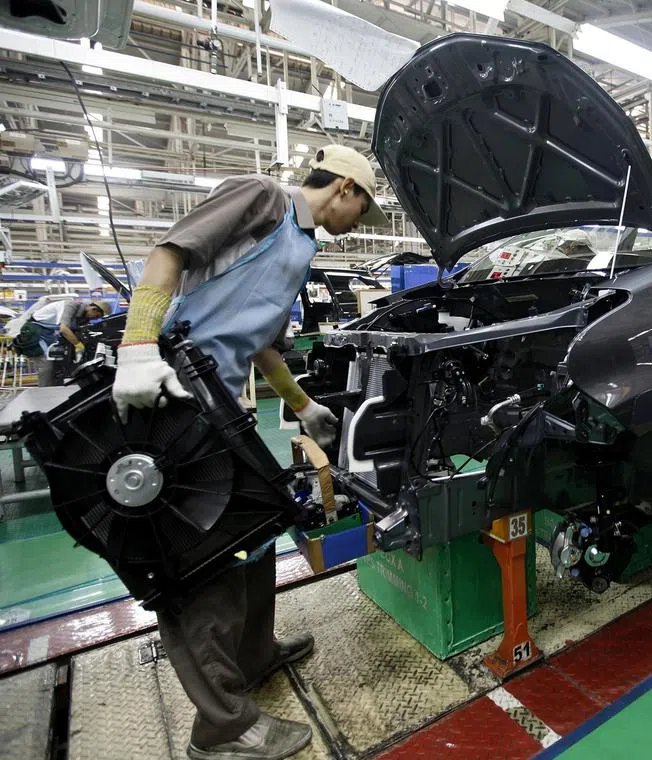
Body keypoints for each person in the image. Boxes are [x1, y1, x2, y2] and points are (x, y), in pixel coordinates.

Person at [111, 145, 386, 760]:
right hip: (175, 398)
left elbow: (263, 342)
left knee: (262, 526)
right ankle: (222, 727)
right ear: (344, 188)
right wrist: (136, 348)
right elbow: (169, 253)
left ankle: (255, 654)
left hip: (223, 407)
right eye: (361, 212)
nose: (356, 229)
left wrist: (302, 405)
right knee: (201, 561)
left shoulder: (302, 247)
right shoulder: (264, 199)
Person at [15, 297, 112, 385]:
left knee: (56, 367)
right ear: (93, 309)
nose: (95, 319)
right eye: (96, 316)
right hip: (35, 333)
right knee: (47, 367)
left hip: (48, 334)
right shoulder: (71, 306)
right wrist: (78, 344)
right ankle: (44, 393)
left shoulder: (82, 316)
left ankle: (54, 391)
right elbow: (64, 329)